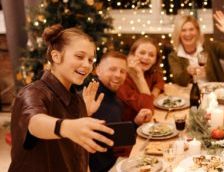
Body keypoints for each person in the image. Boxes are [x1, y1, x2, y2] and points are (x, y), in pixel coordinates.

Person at [9, 24, 114, 171]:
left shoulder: (76, 99)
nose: (87, 65)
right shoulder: (33, 92)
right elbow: (35, 123)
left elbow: (78, 154)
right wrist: (66, 126)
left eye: (91, 60)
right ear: (56, 56)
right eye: (79, 56)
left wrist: (85, 113)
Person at [168, 11, 224, 86]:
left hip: (213, 93)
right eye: (183, 30)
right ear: (178, 34)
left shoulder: (210, 46)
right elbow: (178, 80)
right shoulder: (174, 56)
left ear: (197, 31)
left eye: (191, 29)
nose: (188, 34)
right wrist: (188, 72)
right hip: (189, 94)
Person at [88, 51, 128, 172]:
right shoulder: (89, 99)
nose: (118, 75)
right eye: (112, 69)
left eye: (122, 71)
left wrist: (136, 122)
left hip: (114, 162)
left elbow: (114, 134)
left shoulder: (115, 100)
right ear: (98, 70)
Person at [117, 37, 164, 127]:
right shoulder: (122, 79)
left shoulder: (149, 72)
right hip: (130, 127)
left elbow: (159, 80)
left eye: (151, 55)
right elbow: (148, 110)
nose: (146, 57)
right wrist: (140, 77)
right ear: (132, 55)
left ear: (155, 60)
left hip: (143, 123)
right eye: (142, 53)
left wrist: (153, 94)